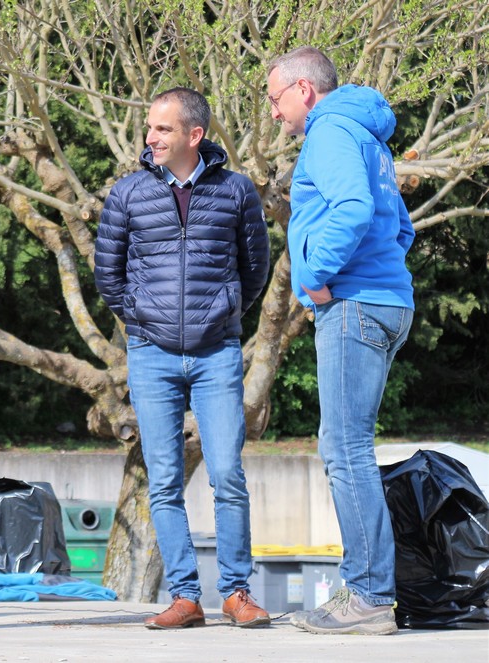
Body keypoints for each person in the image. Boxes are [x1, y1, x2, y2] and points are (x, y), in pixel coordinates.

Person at [95, 88, 271, 629]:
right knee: (164, 481)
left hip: (217, 352)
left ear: (194, 135)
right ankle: (186, 598)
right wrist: (141, 319)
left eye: (162, 129)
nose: (150, 137)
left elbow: (255, 267)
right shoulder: (127, 193)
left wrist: (225, 311)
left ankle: (237, 593)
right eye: (150, 127)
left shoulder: (236, 190)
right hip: (150, 354)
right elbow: (108, 273)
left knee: (228, 474)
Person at [267, 47, 413, 636]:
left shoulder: (328, 133)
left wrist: (316, 277)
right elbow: (400, 227)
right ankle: (367, 591)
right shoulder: (368, 136)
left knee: (344, 448)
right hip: (387, 300)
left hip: (353, 304)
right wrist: (377, 272)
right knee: (349, 445)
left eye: (276, 97)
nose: (274, 112)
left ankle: (370, 597)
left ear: (304, 89)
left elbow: (353, 210)